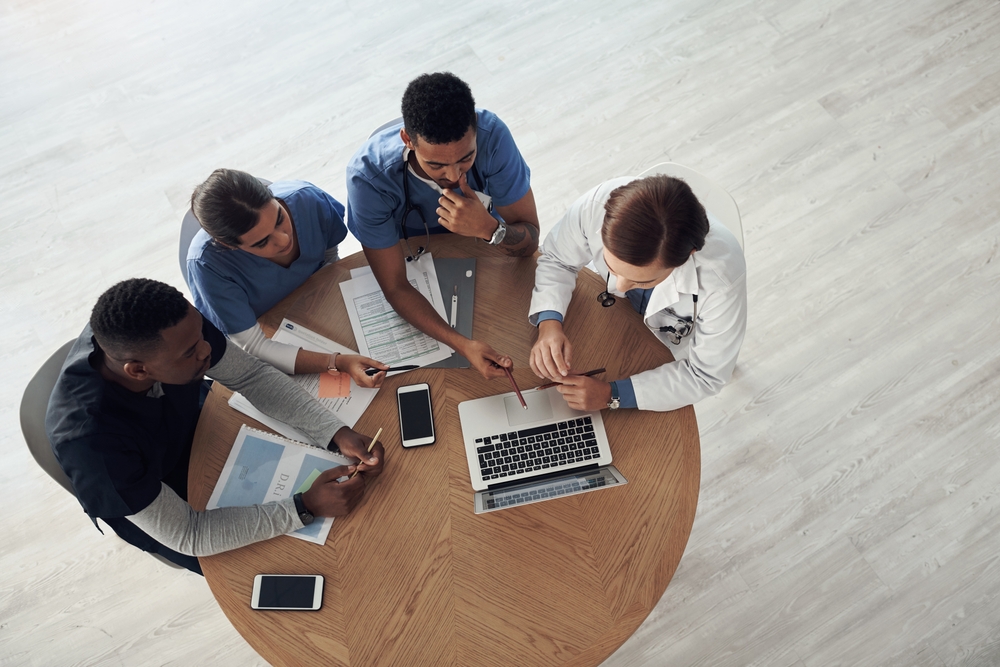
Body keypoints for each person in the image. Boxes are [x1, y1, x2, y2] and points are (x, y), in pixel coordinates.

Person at [45, 279, 385, 574]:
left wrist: (334, 432)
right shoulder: (92, 445)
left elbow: (249, 375)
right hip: (158, 494)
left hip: (203, 427)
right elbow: (189, 534)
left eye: (200, 333)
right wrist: (303, 507)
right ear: (137, 371)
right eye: (192, 352)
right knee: (300, 567)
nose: (208, 349)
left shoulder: (176, 328)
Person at [346, 72, 539, 379]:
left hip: (482, 240)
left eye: (466, 158)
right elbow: (395, 286)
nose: (452, 174)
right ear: (407, 140)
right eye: (435, 164)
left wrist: (491, 228)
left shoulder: (494, 136)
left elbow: (530, 242)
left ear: (476, 130)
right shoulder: (369, 178)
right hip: (412, 248)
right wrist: (462, 345)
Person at [529, 175, 747, 412]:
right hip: (612, 320)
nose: (620, 287)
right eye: (612, 267)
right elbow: (557, 258)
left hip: (666, 354)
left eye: (642, 280)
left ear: (687, 257)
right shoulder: (597, 207)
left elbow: (705, 376)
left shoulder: (722, 280)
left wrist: (611, 395)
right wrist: (549, 323)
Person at [186, 169, 387, 384]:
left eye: (280, 218)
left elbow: (329, 257)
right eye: (261, 242)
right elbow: (253, 345)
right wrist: (336, 362)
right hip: (273, 333)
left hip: (321, 307)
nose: (283, 240)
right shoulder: (208, 265)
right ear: (229, 245)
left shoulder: (307, 199)